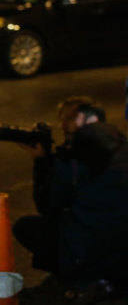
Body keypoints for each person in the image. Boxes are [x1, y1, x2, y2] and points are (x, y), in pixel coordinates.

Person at [13, 97, 128, 300]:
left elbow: (48, 206)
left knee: (27, 227)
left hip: (89, 252)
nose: (63, 127)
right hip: (122, 250)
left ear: (83, 118)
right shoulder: (123, 146)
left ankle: (82, 278)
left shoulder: (73, 158)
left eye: (67, 121)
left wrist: (41, 161)